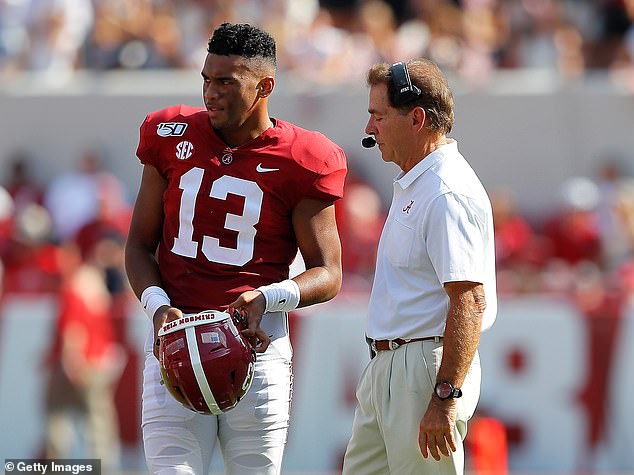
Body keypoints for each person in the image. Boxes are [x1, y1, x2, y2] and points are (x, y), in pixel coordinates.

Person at [124, 22, 346, 475]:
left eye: (226, 82)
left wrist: (268, 297)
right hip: (175, 346)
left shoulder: (304, 157)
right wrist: (158, 306)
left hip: (256, 349)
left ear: (265, 86)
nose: (211, 93)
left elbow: (329, 273)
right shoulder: (168, 133)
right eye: (206, 79)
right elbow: (138, 246)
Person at [342, 59, 497, 475]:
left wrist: (444, 396)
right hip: (390, 366)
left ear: (416, 118)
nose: (369, 129)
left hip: (422, 369)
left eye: (378, 115)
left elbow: (469, 299)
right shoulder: (422, 182)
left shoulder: (446, 190)